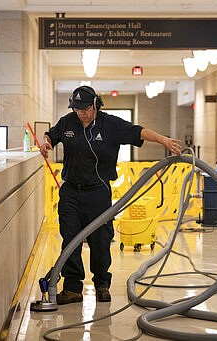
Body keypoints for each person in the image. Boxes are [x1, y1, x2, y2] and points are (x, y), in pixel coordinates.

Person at [40, 85, 181, 305]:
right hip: (71, 192)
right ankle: (72, 288)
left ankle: (102, 285)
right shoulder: (68, 122)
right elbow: (52, 135)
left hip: (98, 192)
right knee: (70, 238)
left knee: (100, 239)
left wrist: (164, 140)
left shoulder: (110, 124)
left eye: (84, 108)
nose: (80, 113)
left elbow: (138, 132)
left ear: (95, 105)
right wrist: (46, 142)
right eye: (76, 108)